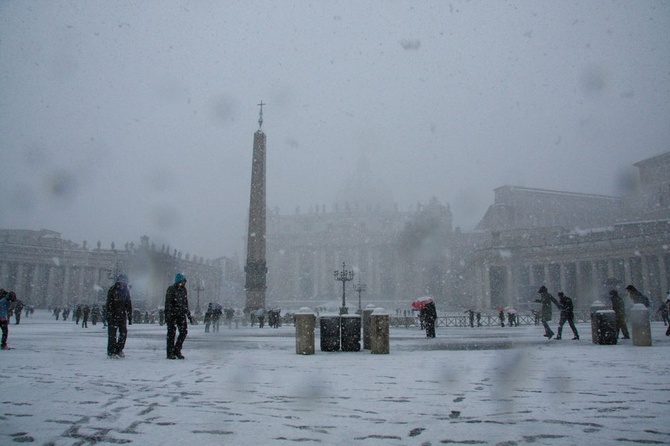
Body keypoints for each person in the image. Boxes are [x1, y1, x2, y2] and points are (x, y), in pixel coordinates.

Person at [165, 273, 193, 359]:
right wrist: (168, 315)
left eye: (184, 282)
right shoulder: (171, 289)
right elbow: (168, 303)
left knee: (183, 332)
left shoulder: (184, 290)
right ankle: (170, 353)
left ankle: (177, 349)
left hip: (181, 314)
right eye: (182, 281)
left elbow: (185, 303)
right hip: (173, 314)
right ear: (178, 281)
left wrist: (188, 315)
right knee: (171, 334)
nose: (183, 283)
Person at [105, 274, 133, 358]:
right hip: (113, 315)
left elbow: (128, 304)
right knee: (112, 335)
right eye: (124, 282)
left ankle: (119, 349)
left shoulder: (126, 291)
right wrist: (109, 314)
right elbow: (109, 304)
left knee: (123, 333)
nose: (125, 283)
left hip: (122, 315)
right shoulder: (113, 290)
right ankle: (111, 351)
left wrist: (129, 316)